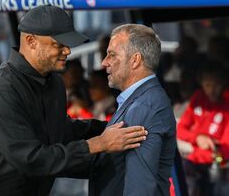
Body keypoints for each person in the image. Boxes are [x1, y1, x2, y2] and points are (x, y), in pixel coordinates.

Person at [0, 5, 147, 196]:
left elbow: (60, 130)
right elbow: (30, 159)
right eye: (59, 44)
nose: (67, 51)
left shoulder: (54, 81)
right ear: (31, 41)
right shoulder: (1, 89)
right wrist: (99, 143)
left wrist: (114, 127)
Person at [89, 24, 177, 196]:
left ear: (135, 60)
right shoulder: (141, 100)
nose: (104, 62)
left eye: (112, 55)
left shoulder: (144, 107)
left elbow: (140, 188)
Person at [177, 61, 229, 196]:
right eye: (207, 85)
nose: (211, 90)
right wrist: (197, 138)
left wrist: (210, 154)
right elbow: (180, 129)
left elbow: (225, 149)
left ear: (223, 83)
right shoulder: (198, 97)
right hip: (193, 159)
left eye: (216, 85)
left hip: (217, 164)